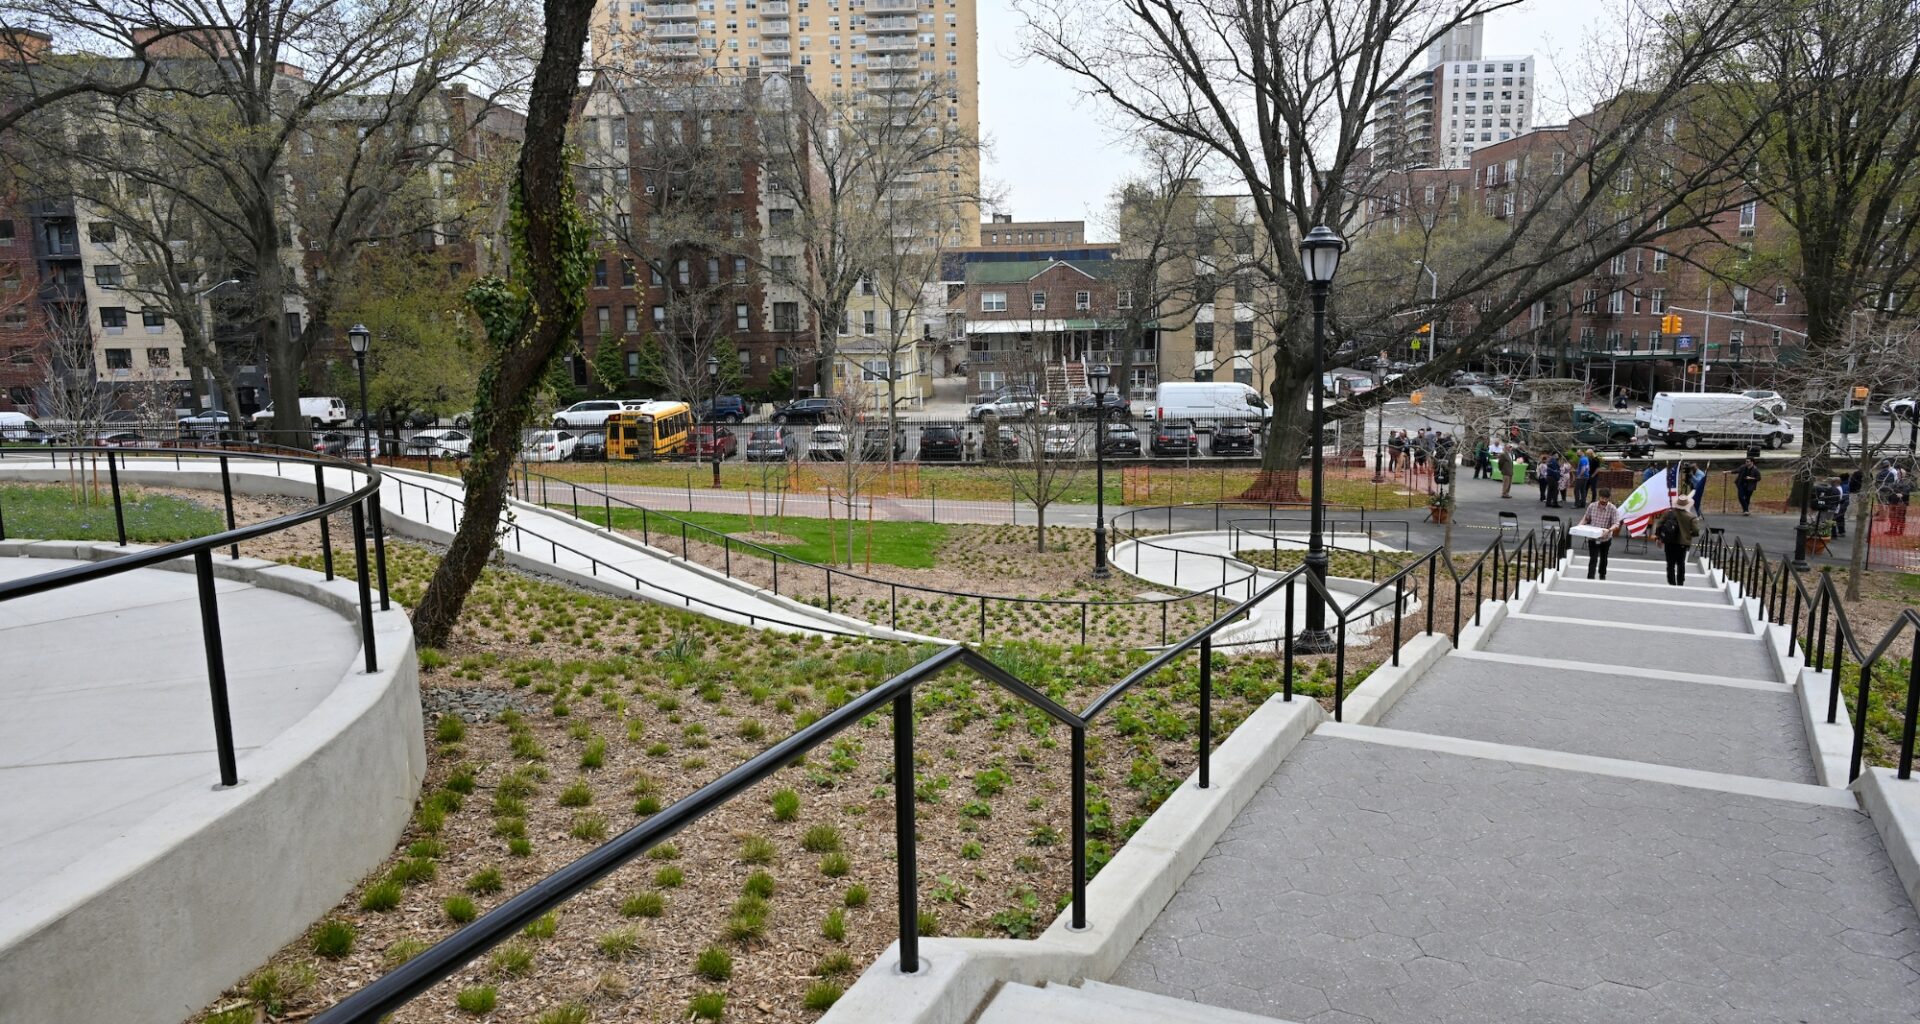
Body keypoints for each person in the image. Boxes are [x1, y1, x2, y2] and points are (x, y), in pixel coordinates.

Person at [1655, 495, 1701, 586]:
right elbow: (1696, 531)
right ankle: (1680, 582)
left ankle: (1671, 582)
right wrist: (1689, 534)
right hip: (1683, 543)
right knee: (1681, 563)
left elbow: (1659, 525)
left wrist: (1659, 537)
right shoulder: (1691, 517)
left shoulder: (1668, 513)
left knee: (1670, 564)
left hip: (1669, 542)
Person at [1579, 487, 1622, 580]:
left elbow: (1616, 523)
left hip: (1605, 538)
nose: (1604, 500)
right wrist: (1580, 525)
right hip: (1593, 537)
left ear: (1608, 498)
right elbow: (1586, 518)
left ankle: (1602, 575)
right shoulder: (1592, 506)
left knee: (1604, 557)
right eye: (1602, 498)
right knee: (1593, 558)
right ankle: (1590, 577)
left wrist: (1609, 530)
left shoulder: (1612, 508)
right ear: (1599, 497)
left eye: (1606, 499)